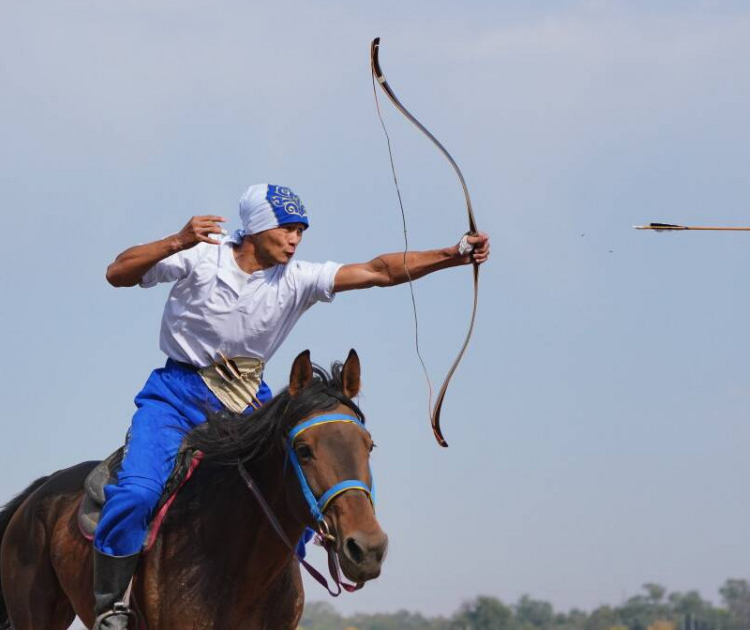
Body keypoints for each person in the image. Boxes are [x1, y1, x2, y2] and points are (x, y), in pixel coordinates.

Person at [93, 183, 490, 630]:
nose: (295, 239)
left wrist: (454, 254)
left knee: (297, 486)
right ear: (258, 228)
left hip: (249, 403)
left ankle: (270, 596)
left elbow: (379, 270)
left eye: (300, 230)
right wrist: (176, 241)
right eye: (286, 229)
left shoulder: (297, 278)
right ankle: (113, 606)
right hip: (176, 395)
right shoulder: (200, 256)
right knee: (139, 492)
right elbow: (117, 272)